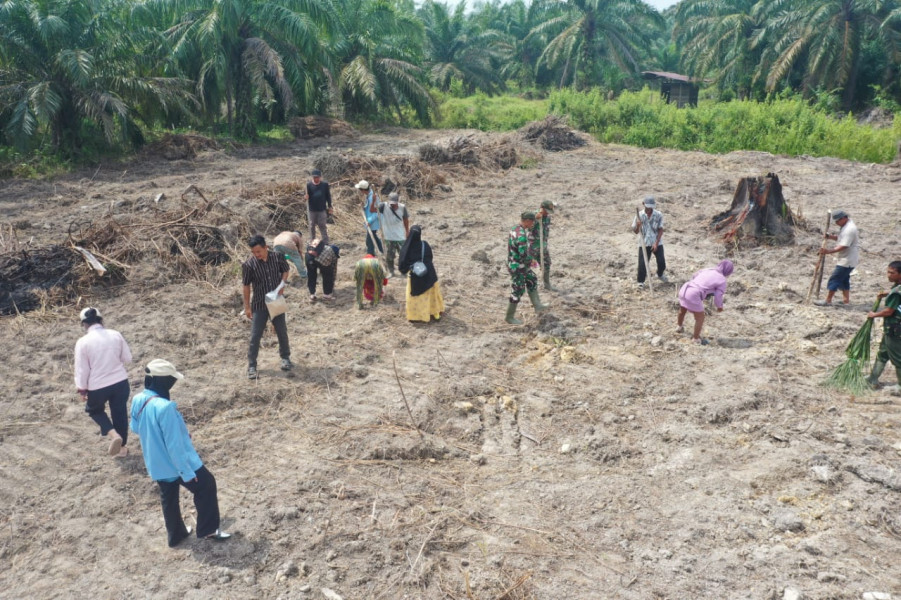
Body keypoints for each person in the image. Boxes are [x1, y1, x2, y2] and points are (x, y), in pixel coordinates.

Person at [130, 359, 231, 547]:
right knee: (206, 484)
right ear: (164, 382)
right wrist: (187, 473)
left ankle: (176, 536)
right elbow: (174, 446)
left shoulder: (138, 399)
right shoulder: (165, 407)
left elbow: (135, 428)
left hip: (156, 462)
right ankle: (208, 530)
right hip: (176, 464)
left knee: (168, 497)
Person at [74, 307, 133, 457]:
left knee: (94, 410)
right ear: (101, 320)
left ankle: (114, 435)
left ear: (84, 324)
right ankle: (122, 448)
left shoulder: (82, 342)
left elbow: (82, 369)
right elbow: (128, 358)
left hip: (98, 386)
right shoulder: (115, 334)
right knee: (119, 412)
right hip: (120, 382)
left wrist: (82, 389)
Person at [242, 235, 292, 380]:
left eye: (259, 251)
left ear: (266, 247)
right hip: (259, 304)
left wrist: (282, 284)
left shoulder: (278, 257)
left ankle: (285, 358)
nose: (256, 255)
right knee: (255, 336)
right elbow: (246, 286)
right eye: (254, 252)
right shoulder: (249, 265)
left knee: (282, 330)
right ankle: (252, 365)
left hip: (276, 301)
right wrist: (247, 307)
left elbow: (285, 270)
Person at [505, 211, 548, 325]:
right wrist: (532, 261)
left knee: (532, 279)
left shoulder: (515, 228)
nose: (533, 223)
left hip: (518, 264)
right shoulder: (522, 236)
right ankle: (509, 317)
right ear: (528, 221)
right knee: (517, 290)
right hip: (518, 266)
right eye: (532, 221)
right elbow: (523, 254)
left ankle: (538, 306)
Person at [677, 260, 734, 344]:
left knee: (682, 310)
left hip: (685, 288)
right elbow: (718, 296)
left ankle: (679, 327)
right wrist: (719, 306)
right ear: (728, 271)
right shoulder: (722, 280)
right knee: (700, 318)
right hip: (694, 293)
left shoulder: (709, 269)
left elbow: (694, 275)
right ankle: (696, 339)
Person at [865, 261, 901, 391]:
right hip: (892, 329)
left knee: (898, 358)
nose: (888, 275)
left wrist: (874, 315)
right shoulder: (897, 287)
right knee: (883, 354)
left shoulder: (896, 292)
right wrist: (887, 294)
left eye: (892, 273)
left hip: (895, 329)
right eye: (888, 272)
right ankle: (873, 379)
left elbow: (889, 311)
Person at [398, 225, 444, 322]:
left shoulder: (407, 248)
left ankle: (415, 317)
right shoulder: (425, 244)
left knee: (416, 298)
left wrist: (406, 269)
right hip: (429, 274)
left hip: (416, 277)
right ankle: (435, 314)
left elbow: (403, 264)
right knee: (432, 297)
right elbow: (430, 257)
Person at [815, 210, 860, 307]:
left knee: (835, 279)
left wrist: (828, 251)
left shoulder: (850, 229)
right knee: (844, 279)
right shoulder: (845, 226)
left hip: (847, 259)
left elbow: (844, 245)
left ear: (844, 218)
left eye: (837, 221)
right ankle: (846, 301)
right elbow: (841, 238)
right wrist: (830, 237)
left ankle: (828, 300)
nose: (836, 223)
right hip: (847, 258)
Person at [631, 196, 668, 287]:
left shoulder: (658, 214)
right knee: (642, 264)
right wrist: (638, 226)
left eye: (651, 207)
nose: (649, 209)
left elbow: (660, 230)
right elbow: (635, 231)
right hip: (644, 243)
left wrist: (656, 243)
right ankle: (640, 282)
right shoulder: (639, 215)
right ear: (644, 204)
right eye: (648, 207)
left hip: (657, 242)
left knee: (661, 262)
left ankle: (660, 274)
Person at [378, 192, 410, 277]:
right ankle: (391, 272)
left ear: (398, 201)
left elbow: (406, 220)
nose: (393, 206)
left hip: (400, 236)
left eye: (395, 204)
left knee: (403, 255)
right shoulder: (383, 206)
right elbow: (374, 210)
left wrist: (407, 231)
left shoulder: (402, 208)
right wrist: (374, 200)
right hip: (389, 236)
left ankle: (404, 271)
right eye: (391, 204)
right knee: (389, 256)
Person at [531, 200, 556, 290]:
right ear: (542, 208)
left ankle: (547, 284)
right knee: (527, 266)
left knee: (547, 263)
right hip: (532, 246)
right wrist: (536, 220)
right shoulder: (533, 216)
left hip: (543, 245)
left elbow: (546, 233)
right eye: (546, 211)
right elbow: (527, 229)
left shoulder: (548, 218)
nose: (547, 214)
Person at [355, 180, 384, 256]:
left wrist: (369, 221)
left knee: (369, 240)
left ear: (363, 190)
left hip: (373, 222)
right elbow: (369, 208)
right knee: (374, 237)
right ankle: (382, 251)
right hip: (370, 222)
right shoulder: (369, 196)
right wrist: (363, 207)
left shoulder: (373, 197)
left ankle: (370, 254)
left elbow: (377, 211)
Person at [305, 169, 332, 243]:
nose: (316, 179)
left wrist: (330, 206)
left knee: (322, 225)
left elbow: (328, 196)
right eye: (314, 177)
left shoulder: (324, 185)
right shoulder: (308, 185)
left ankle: (325, 241)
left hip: (322, 209)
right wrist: (305, 197)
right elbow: (306, 196)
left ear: (320, 177)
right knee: (311, 226)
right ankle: (312, 240)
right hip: (312, 210)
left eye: (317, 177)